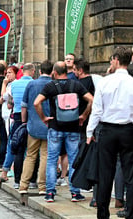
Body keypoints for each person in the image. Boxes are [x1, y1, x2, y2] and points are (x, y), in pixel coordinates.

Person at [86, 47, 133, 219]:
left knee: (105, 175)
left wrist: (90, 131)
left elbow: (97, 109)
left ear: (117, 60)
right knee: (131, 176)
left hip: (107, 129)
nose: (110, 62)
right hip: (128, 130)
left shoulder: (105, 82)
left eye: (112, 59)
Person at [34, 61, 93, 203]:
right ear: (67, 71)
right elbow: (91, 99)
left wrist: (44, 118)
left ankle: (50, 193)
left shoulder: (50, 86)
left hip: (55, 127)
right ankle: (74, 193)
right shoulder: (76, 85)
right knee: (73, 160)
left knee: (52, 160)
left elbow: (37, 102)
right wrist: (84, 116)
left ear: (54, 72)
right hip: (73, 128)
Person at [17, 60, 53, 194]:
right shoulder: (53, 84)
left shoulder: (31, 84)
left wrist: (24, 122)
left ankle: (23, 185)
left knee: (30, 155)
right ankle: (42, 186)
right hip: (48, 125)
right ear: (52, 72)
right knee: (45, 156)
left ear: (39, 71)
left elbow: (24, 105)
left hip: (33, 125)